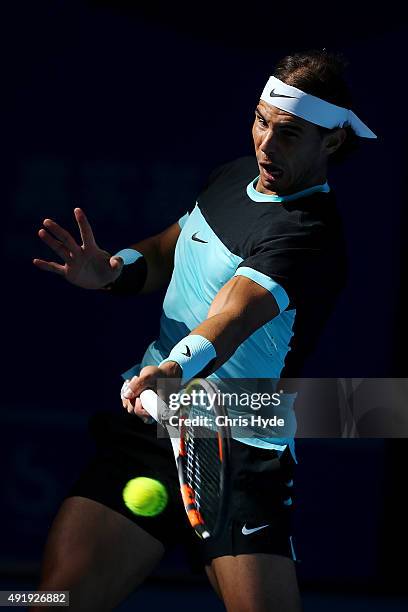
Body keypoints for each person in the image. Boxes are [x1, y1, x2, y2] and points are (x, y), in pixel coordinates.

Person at [31, 50, 376, 612]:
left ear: (332, 142)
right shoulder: (234, 176)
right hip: (155, 422)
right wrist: (112, 270)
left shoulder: (307, 234)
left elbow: (232, 318)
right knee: (56, 599)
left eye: (288, 133)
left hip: (234, 440)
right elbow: (170, 252)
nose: (266, 144)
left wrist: (170, 369)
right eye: (262, 121)